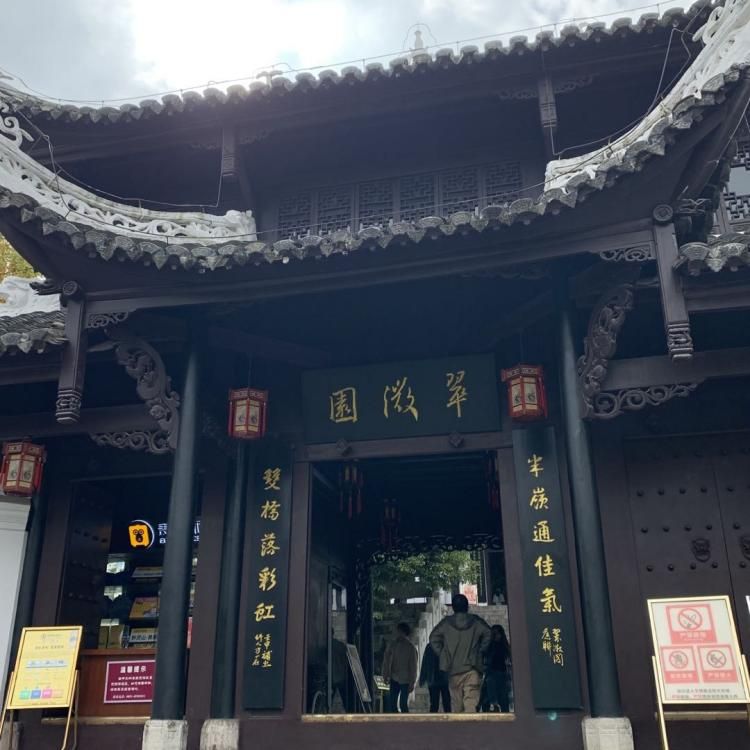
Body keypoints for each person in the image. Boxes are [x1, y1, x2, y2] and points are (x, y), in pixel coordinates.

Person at [429, 593, 490, 713]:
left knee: (456, 705)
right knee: (471, 702)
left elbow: (433, 638)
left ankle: (459, 725)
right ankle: (470, 724)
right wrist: (480, 650)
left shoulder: (446, 623)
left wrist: (443, 654)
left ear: (453, 607)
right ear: (467, 606)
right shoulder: (476, 622)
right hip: (472, 668)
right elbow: (488, 633)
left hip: (453, 669)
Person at [382, 622, 417, 713]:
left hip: (405, 679)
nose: (397, 633)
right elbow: (386, 661)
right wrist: (385, 675)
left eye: (398, 631)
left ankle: (406, 721)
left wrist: (412, 682)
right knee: (392, 704)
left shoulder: (410, 647)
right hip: (394, 677)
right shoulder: (392, 645)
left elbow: (413, 666)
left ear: (403, 632)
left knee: (403, 704)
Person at [482, 624, 511, 712]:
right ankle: (494, 706)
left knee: (503, 699)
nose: (496, 636)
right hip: (492, 674)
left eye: (497, 633)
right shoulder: (490, 647)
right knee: (489, 696)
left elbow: (508, 661)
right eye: (494, 634)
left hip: (502, 675)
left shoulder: (504, 647)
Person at [418, 643, 451, 713]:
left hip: (433, 679)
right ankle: (448, 718)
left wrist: (422, 678)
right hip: (443, 678)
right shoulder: (445, 644)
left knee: (434, 704)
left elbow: (425, 662)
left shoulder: (430, 646)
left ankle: (433, 718)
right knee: (446, 703)